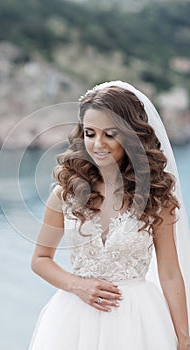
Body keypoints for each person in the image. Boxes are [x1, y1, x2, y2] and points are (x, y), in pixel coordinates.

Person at [28, 81, 190, 349]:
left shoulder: (155, 198)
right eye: (90, 133)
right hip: (74, 322)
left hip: (139, 321)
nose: (98, 144)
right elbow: (40, 260)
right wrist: (77, 285)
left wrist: (184, 338)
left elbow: (170, 273)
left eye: (110, 134)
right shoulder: (65, 193)